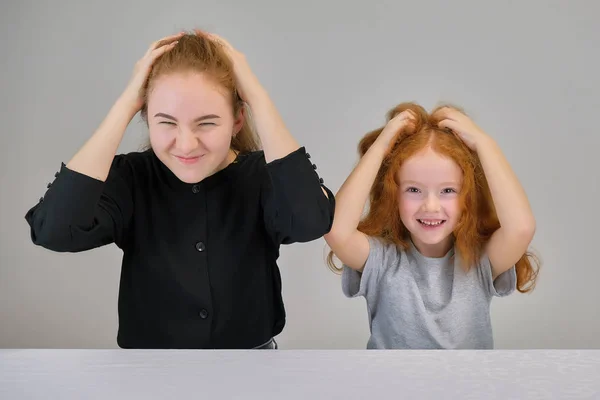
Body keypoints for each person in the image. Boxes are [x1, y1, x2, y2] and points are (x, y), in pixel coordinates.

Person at [24, 30, 335, 350]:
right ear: (145, 117)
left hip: (252, 370)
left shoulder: (263, 176)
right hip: (148, 374)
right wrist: (124, 105)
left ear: (238, 120)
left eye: (207, 123)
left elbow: (311, 219)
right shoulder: (131, 177)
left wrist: (256, 95)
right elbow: (54, 230)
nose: (186, 144)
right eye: (166, 122)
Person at [324, 102, 540, 349]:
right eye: (413, 189)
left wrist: (484, 145)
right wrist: (380, 148)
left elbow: (521, 228)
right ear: (393, 195)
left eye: (448, 190)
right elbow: (336, 231)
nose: (431, 206)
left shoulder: (480, 260)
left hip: (465, 387)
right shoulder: (382, 260)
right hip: (391, 386)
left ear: (469, 197)